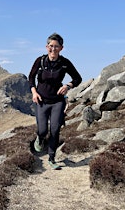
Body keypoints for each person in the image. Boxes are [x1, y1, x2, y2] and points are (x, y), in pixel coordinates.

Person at [28, 33, 82, 169]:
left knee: (55, 129)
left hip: (57, 101)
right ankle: (40, 139)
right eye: (51, 46)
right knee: (42, 130)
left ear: (61, 48)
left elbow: (77, 78)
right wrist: (34, 92)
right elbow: (31, 77)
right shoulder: (40, 61)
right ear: (46, 47)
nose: (53, 49)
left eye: (56, 46)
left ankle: (52, 158)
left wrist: (67, 86)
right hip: (41, 101)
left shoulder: (64, 63)